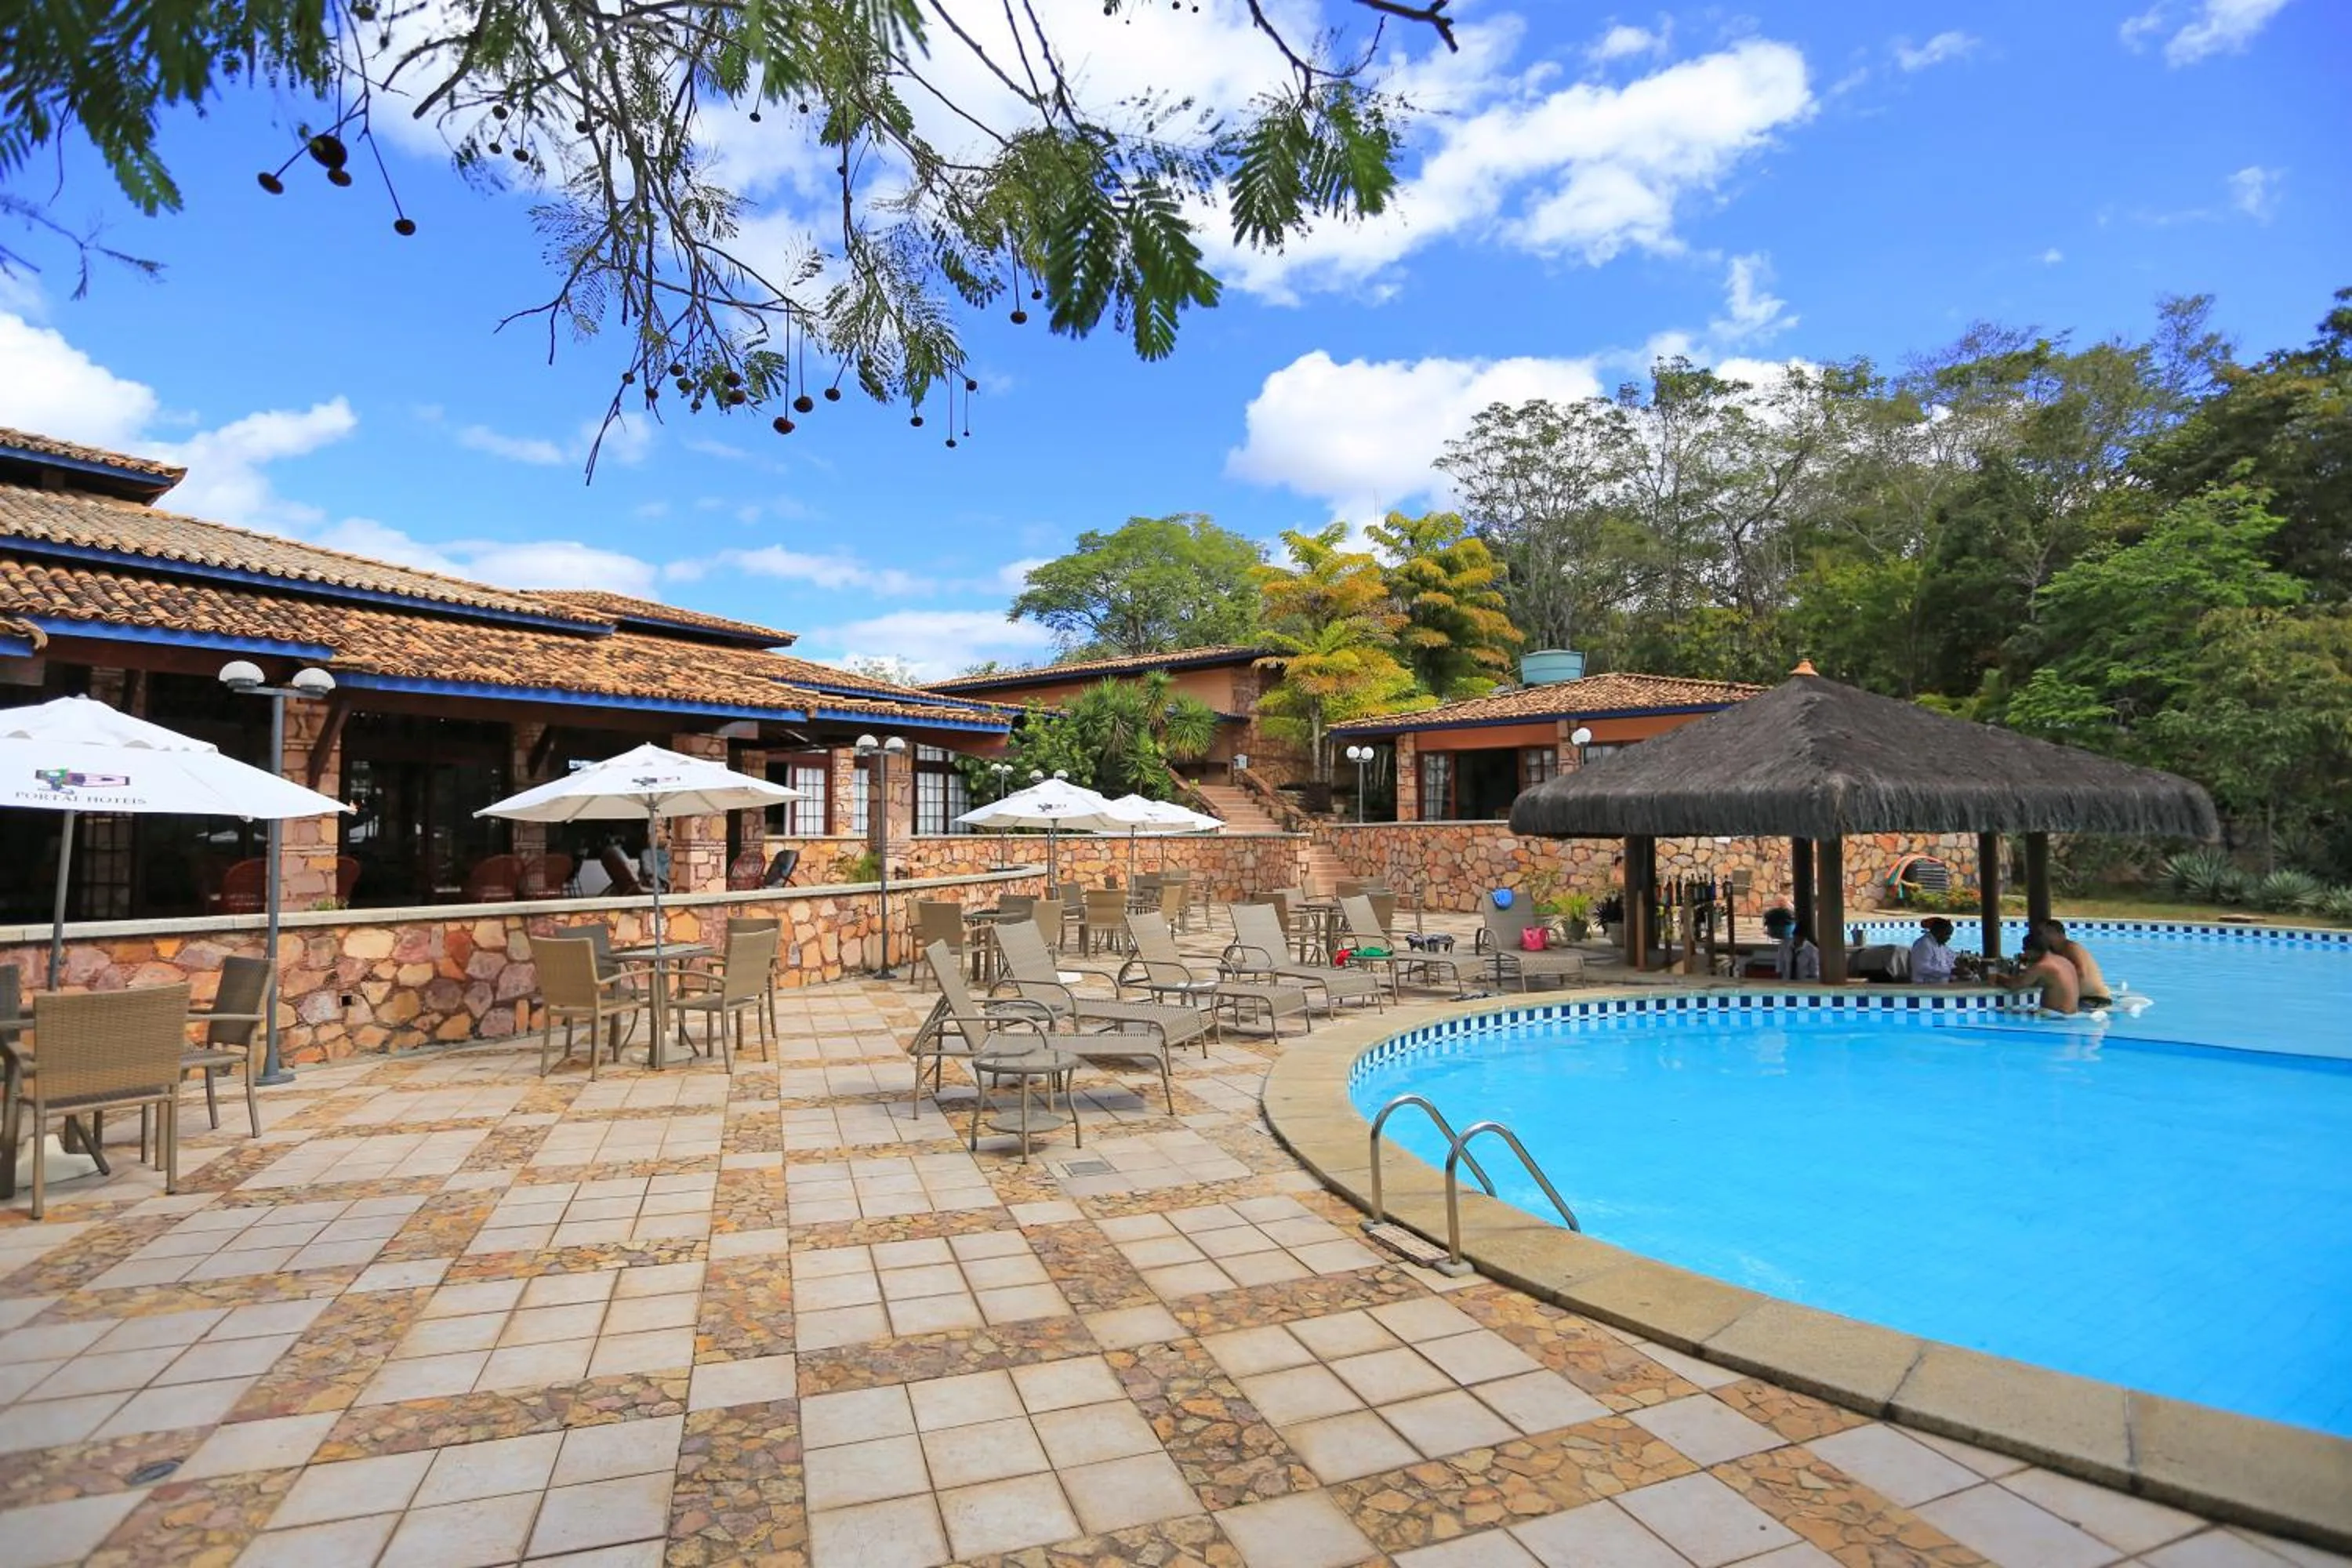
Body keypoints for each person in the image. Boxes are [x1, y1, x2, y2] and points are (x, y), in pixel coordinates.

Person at [2034, 919, 2111, 1007]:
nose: (2042, 937)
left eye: (2046, 933)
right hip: (2083, 1000)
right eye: (2041, 933)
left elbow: (2080, 973)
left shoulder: (2072, 949)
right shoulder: (2056, 951)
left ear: (2058, 934)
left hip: (2095, 1000)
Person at [1998, 933, 2080, 1014]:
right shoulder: (2064, 961)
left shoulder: (2042, 966)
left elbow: (2015, 986)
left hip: (2054, 1016)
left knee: (2004, 1013)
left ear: (2032, 950)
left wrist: (1998, 977)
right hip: (2073, 1014)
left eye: (2024, 949)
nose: (2024, 953)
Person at [1761, 906, 1820, 981]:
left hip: (1803, 982)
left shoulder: (1812, 951)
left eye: (1800, 938)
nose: (1798, 940)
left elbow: (1814, 972)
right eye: (1796, 937)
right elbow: (1780, 964)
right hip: (1786, 981)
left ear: (1804, 938)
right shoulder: (1784, 945)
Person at [1909, 917, 1958, 984]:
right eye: (1947, 934)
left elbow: (1949, 963)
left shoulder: (1941, 946)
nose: (1949, 938)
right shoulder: (1924, 944)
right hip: (1925, 987)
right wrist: (1950, 971)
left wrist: (1958, 969)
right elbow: (1922, 968)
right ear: (1938, 932)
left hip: (1941, 986)